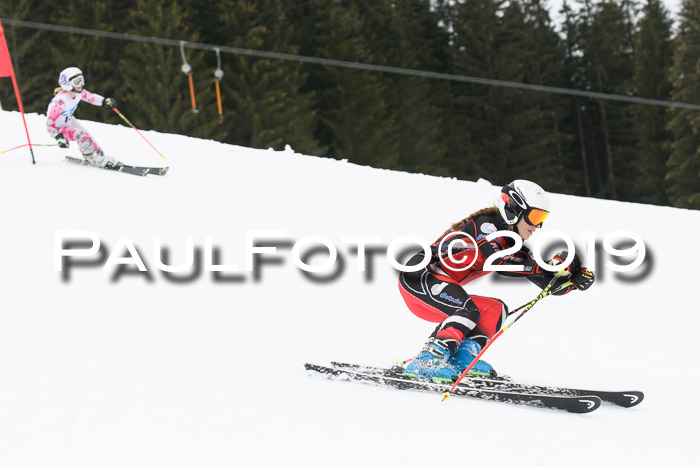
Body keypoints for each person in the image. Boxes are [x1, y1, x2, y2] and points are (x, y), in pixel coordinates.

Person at [399, 180, 595, 381]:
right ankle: (427, 360)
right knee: (469, 310)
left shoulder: (511, 243)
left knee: (495, 309)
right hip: (419, 278)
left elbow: (545, 284)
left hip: (436, 292)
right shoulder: (487, 224)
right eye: (535, 216)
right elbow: (499, 261)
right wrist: (549, 265)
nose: (537, 225)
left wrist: (570, 281)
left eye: (542, 218)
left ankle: (462, 359)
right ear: (513, 209)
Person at [46, 66, 118, 167]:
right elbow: (50, 123)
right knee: (81, 135)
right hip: (59, 128)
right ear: (67, 84)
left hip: (69, 120)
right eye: (76, 82)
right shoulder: (60, 101)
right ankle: (91, 158)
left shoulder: (78, 93)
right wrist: (58, 137)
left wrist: (104, 102)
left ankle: (98, 155)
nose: (80, 85)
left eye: (81, 80)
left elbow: (91, 97)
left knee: (88, 137)